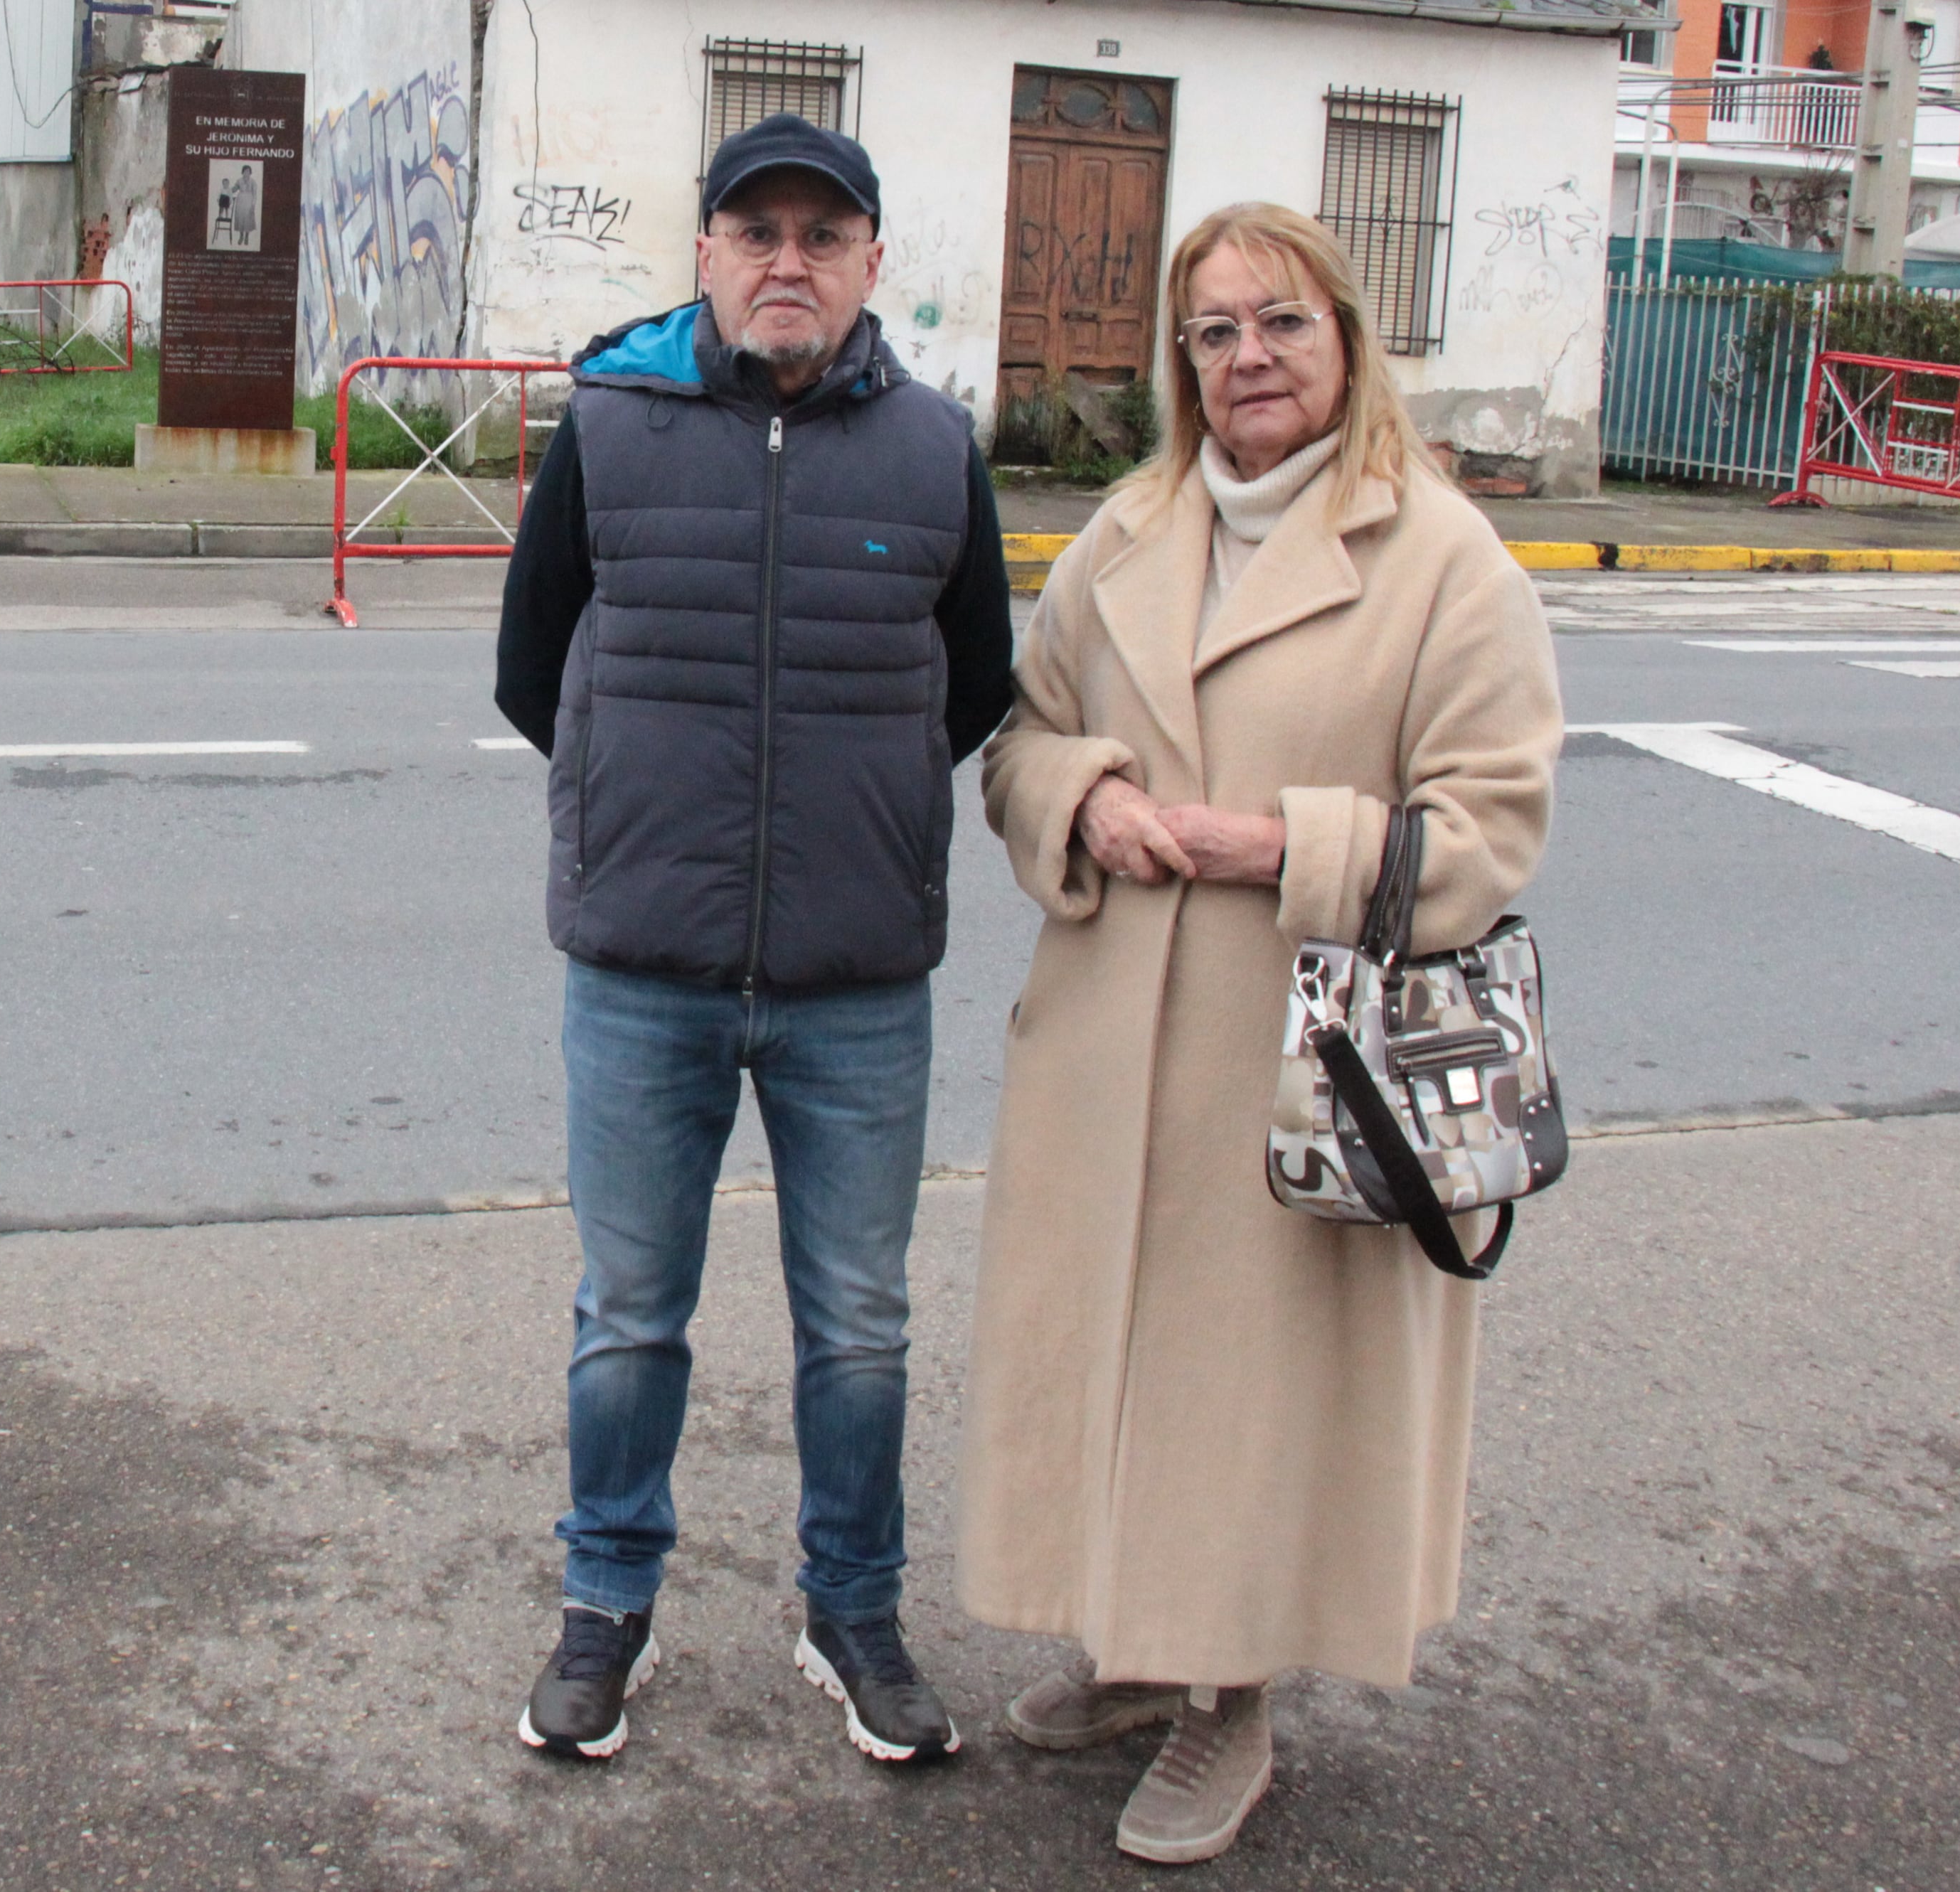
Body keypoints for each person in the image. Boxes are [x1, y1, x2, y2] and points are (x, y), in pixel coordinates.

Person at [956, 202, 1563, 1865]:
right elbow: (1020, 742)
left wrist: (1267, 843)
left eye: (1279, 324)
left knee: (1248, 1394)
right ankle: (1144, 1649)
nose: (1248, 360)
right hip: (1107, 1046)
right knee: (1123, 1361)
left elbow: (1488, 828)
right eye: (1214, 332)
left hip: (1305, 1063)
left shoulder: (1438, 557)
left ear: (1346, 338)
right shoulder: (1128, 532)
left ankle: (1231, 1704)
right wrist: (1086, 802)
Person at [494, 114, 1016, 1767]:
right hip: (645, 966)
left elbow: (973, 682)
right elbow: (534, 668)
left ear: (872, 265)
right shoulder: (612, 425)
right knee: (630, 1312)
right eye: (754, 230)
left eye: (822, 233)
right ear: (705, 256)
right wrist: (657, 816)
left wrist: (831, 819)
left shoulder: (936, 451)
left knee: (860, 1321)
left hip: (854, 983)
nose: (786, 259)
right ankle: (605, 1609)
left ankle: (852, 1614)